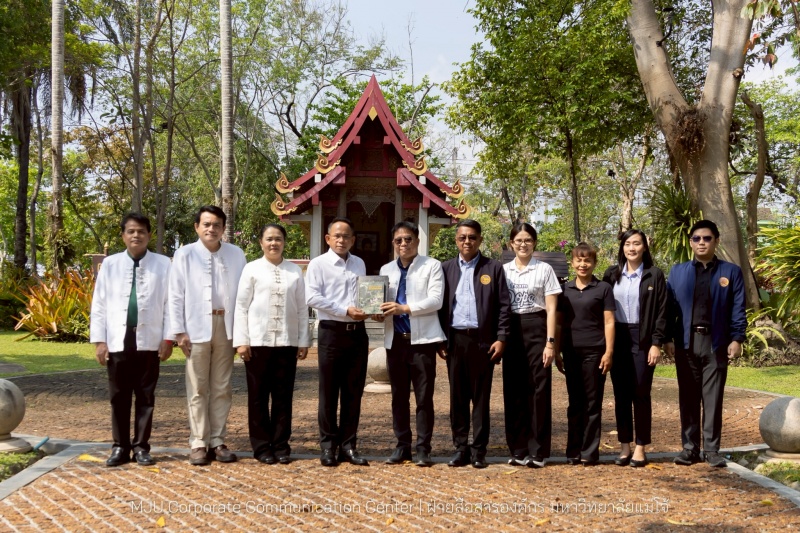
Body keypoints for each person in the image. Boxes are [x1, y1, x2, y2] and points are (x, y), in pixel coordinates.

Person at [90, 213, 173, 467]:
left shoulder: (163, 264)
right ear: (123, 235)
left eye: (141, 231)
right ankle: (119, 446)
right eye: (131, 231)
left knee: (146, 396)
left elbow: (171, 305)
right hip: (119, 338)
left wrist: (168, 338)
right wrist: (100, 341)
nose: (136, 235)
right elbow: (99, 304)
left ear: (149, 235)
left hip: (150, 338)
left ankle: (141, 447)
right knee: (119, 396)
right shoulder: (111, 265)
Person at [169, 205, 246, 466]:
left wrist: (241, 332)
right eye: (206, 224)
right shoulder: (185, 254)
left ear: (224, 228)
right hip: (195, 326)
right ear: (197, 227)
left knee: (222, 387)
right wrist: (179, 331)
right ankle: (198, 442)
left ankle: (217, 440)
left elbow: (244, 296)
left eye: (216, 225)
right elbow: (175, 294)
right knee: (197, 387)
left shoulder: (236, 254)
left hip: (227, 324)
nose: (211, 229)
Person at [665, 220, 746, 468]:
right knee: (688, 397)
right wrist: (667, 338)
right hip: (686, 342)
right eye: (697, 238)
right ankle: (689, 449)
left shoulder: (731, 272)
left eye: (707, 238)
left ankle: (711, 450)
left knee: (713, 398)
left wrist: (737, 338)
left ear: (716, 241)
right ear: (691, 242)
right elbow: (669, 309)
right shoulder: (677, 272)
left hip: (716, 342)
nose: (702, 242)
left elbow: (738, 307)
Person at [233, 223, 310, 465]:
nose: (274, 243)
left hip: (287, 342)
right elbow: (241, 306)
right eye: (269, 239)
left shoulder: (294, 271)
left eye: (278, 239)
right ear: (261, 242)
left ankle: (281, 445)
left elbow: (302, 309)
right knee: (257, 397)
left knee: (282, 397)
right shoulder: (251, 269)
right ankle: (261, 446)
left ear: (284, 242)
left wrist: (303, 340)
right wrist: (242, 341)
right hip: (258, 343)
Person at [438, 219, 511, 468]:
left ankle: (479, 450)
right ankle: (460, 448)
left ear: (480, 239)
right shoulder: (446, 268)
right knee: (457, 398)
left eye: (472, 237)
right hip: (455, 340)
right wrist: (441, 339)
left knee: (481, 398)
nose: (467, 241)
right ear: (456, 240)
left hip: (483, 341)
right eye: (462, 237)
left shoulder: (493, 268)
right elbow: (440, 306)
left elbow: (503, 306)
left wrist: (501, 338)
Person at [376, 221, 445, 467]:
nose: (403, 244)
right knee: (399, 397)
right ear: (393, 243)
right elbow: (380, 300)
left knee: (424, 398)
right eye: (398, 240)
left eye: (408, 239)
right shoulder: (386, 269)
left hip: (422, 342)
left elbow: (436, 300)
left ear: (417, 241)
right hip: (395, 341)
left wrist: (404, 308)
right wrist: (378, 312)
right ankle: (402, 446)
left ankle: (423, 448)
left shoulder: (432, 266)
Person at [305, 217, 370, 467]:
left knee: (353, 392)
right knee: (329, 392)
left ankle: (349, 445)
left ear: (353, 240)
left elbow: (365, 295)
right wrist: (344, 310)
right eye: (337, 236)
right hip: (331, 332)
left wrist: (370, 310)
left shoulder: (359, 263)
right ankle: (328, 446)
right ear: (328, 239)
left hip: (357, 334)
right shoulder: (318, 264)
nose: (341, 240)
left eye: (346, 236)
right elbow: (312, 297)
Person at [602, 230, 667, 468]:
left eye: (637, 243)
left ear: (644, 247)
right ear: (622, 248)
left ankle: (640, 447)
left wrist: (656, 343)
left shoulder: (654, 275)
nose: (632, 248)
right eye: (628, 244)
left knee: (640, 392)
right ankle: (624, 446)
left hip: (643, 337)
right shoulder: (611, 274)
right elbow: (603, 308)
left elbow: (662, 310)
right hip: (617, 337)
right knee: (621, 395)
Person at [502, 223, 561, 468]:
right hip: (511, 330)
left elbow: (552, 309)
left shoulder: (544, 269)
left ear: (534, 243)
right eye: (518, 240)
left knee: (539, 388)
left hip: (537, 328)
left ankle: (538, 450)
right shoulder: (503, 270)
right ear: (511, 244)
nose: (523, 244)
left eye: (527, 240)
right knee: (513, 389)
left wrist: (550, 343)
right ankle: (518, 449)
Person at [557, 242, 615, 466]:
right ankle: (573, 450)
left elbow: (609, 322)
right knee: (575, 403)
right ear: (572, 263)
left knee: (592, 403)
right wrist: (557, 351)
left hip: (595, 352)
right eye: (579, 260)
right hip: (571, 352)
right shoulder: (564, 290)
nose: (583, 264)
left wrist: (609, 352)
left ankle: (590, 452)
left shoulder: (603, 289)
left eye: (587, 260)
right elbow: (559, 323)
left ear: (594, 263)